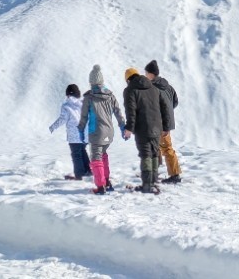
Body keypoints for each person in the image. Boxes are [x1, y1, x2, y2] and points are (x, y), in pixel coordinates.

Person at [78, 65, 126, 195]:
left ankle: (100, 187)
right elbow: (118, 112)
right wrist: (122, 127)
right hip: (109, 133)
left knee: (96, 158)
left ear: (91, 82)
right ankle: (107, 182)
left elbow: (83, 116)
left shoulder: (89, 97)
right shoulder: (110, 95)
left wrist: (81, 130)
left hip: (96, 133)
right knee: (103, 155)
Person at [123, 67, 170, 194]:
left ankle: (147, 185)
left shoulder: (130, 90)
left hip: (142, 127)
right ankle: (153, 181)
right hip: (157, 127)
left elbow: (131, 111)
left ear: (128, 80)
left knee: (145, 155)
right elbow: (164, 107)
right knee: (154, 153)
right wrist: (165, 126)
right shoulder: (153, 88)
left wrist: (129, 128)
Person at [145, 59, 182, 184]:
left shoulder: (153, 89)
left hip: (161, 125)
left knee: (166, 148)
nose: (145, 75)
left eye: (146, 73)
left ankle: (175, 175)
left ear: (151, 74)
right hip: (164, 123)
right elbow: (175, 102)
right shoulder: (168, 86)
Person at [49, 83, 91, 180]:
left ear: (68, 94)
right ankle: (88, 171)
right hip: (84, 134)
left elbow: (62, 119)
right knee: (82, 151)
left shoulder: (66, 106)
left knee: (76, 154)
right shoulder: (82, 104)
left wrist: (53, 127)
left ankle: (79, 176)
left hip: (74, 135)